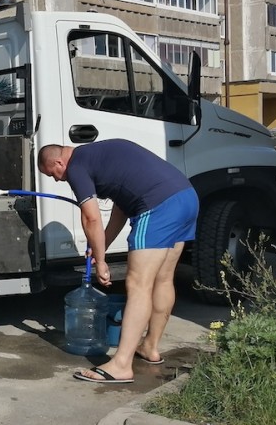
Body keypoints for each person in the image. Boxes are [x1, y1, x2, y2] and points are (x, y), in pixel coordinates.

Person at [37, 139, 198, 384]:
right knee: (163, 279)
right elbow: (120, 209)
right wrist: (103, 247)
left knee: (138, 284)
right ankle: (150, 348)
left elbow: (91, 218)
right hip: (186, 197)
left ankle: (121, 365)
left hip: (158, 206)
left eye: (54, 174)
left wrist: (101, 262)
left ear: (59, 162)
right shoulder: (97, 155)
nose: (58, 180)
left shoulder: (77, 167)